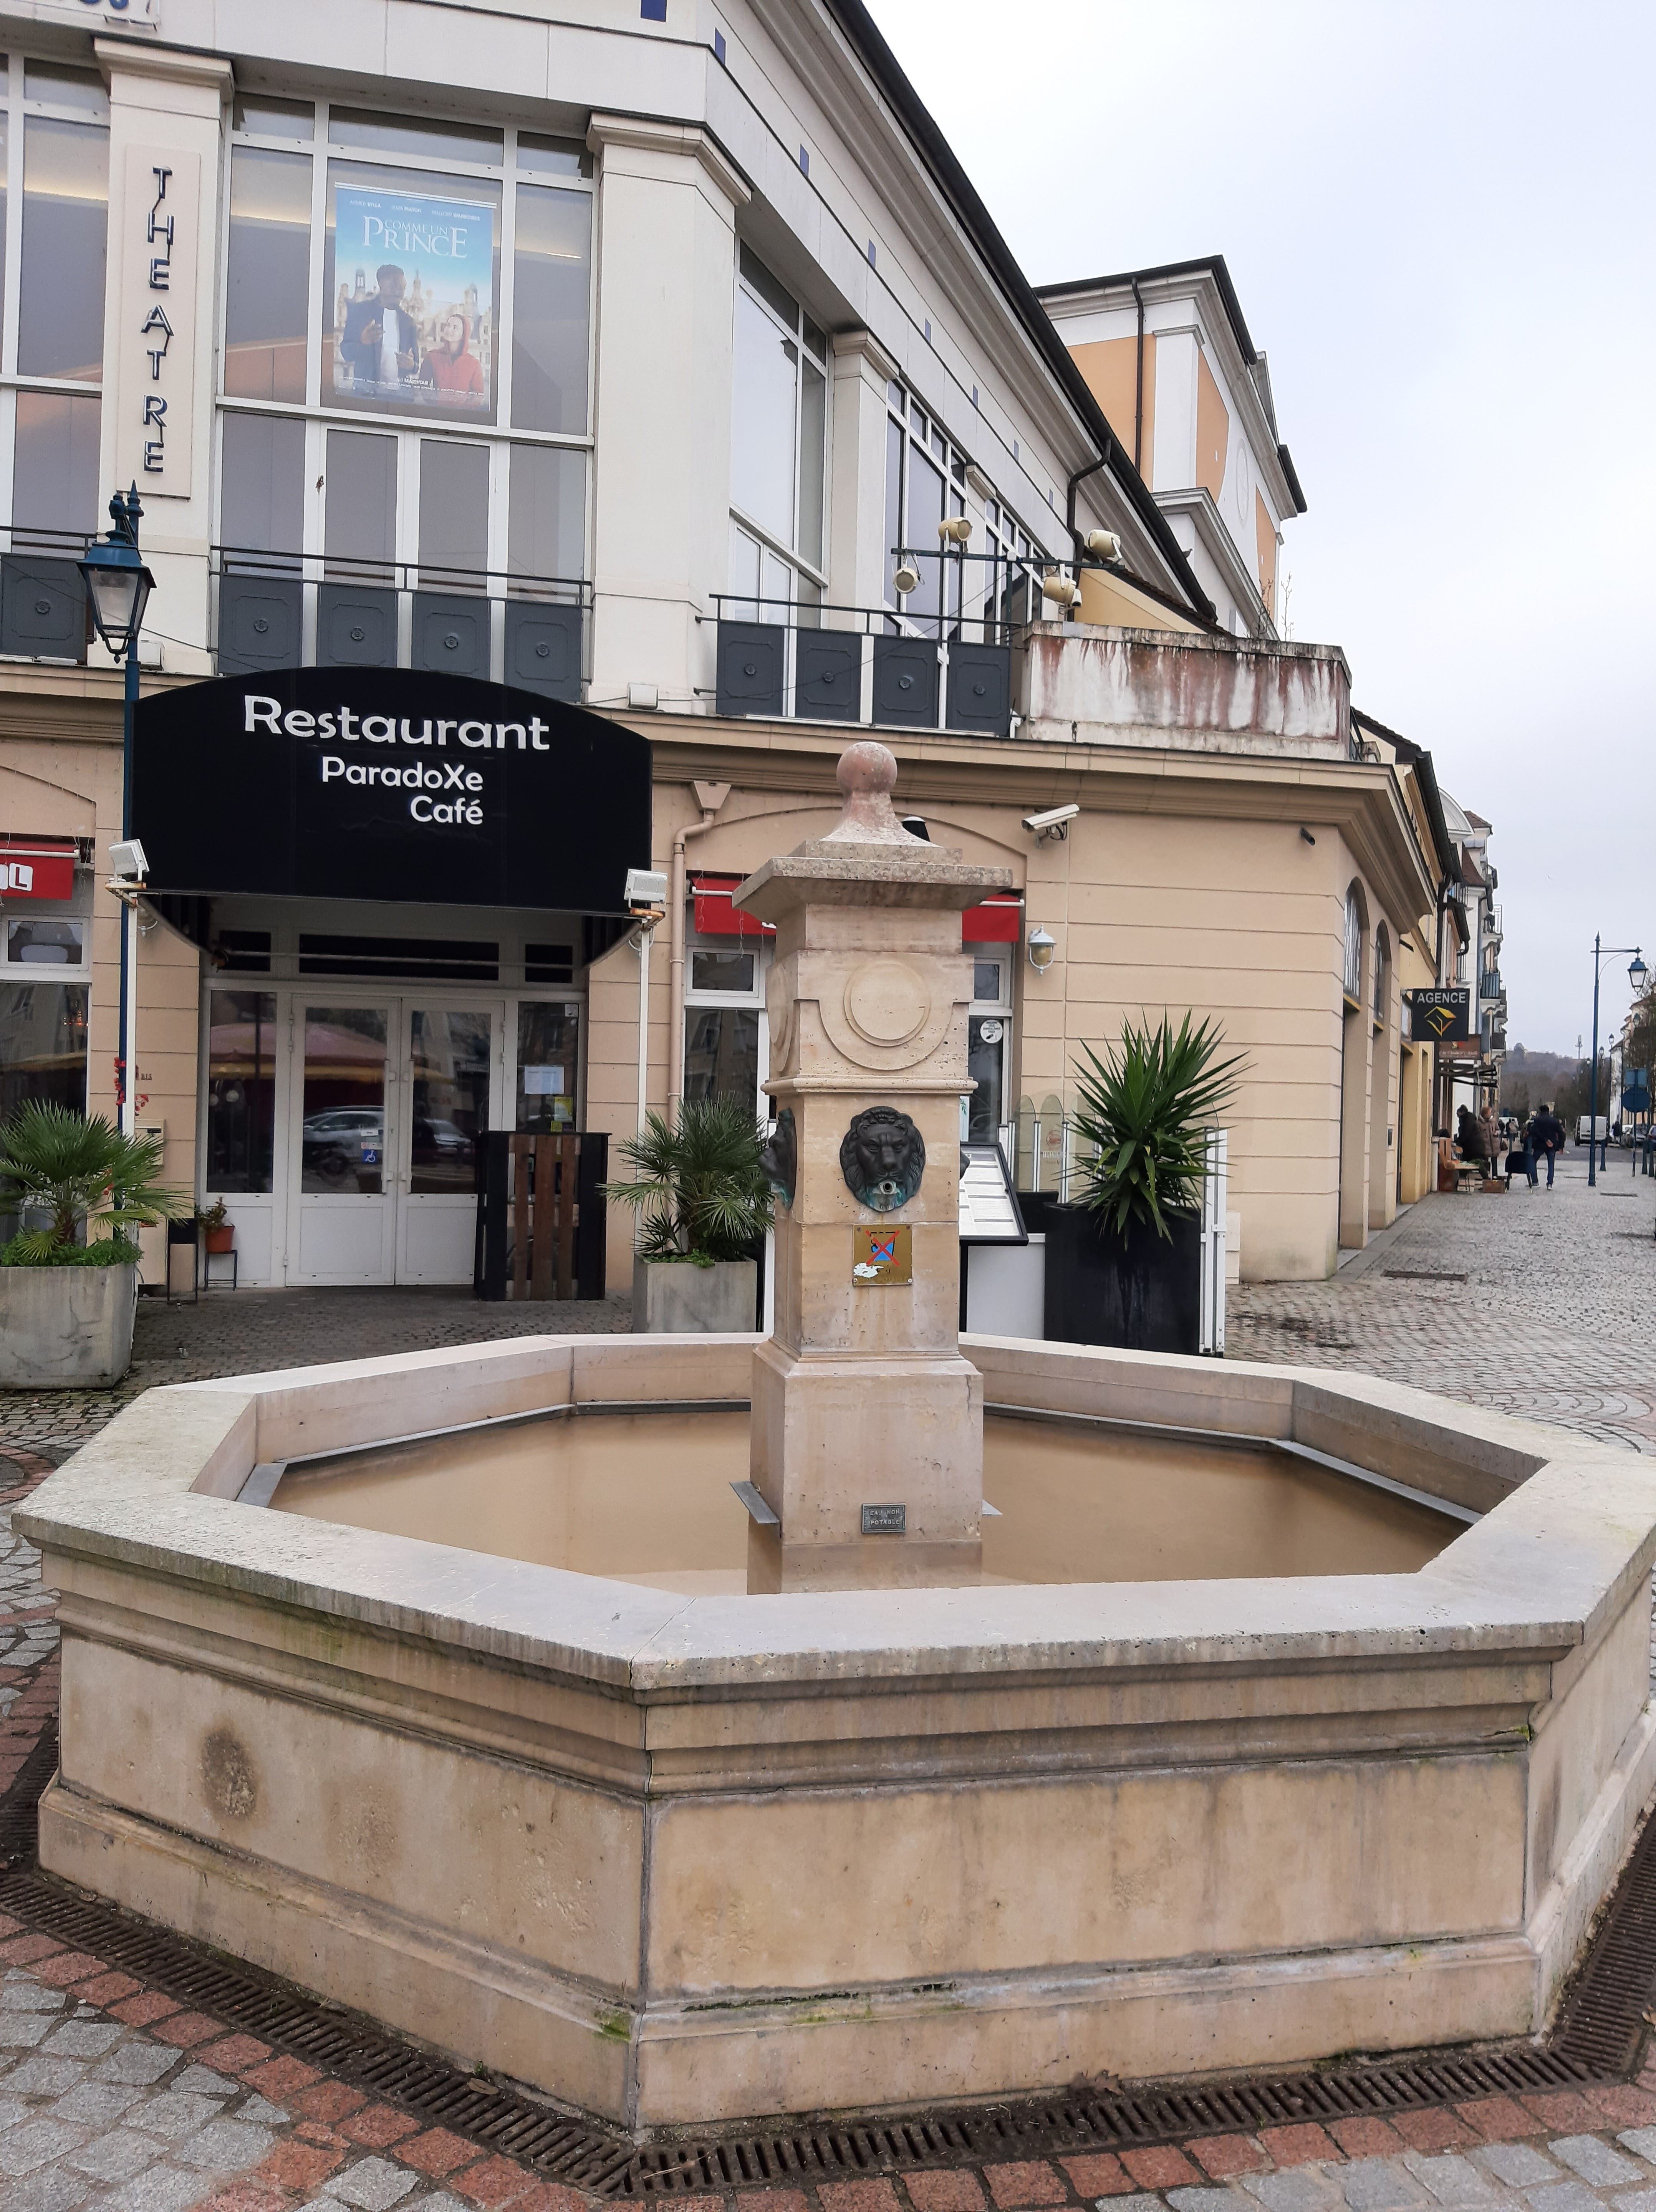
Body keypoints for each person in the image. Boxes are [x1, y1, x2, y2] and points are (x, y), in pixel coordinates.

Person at [339, 265, 419, 393]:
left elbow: (416, 366)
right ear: (381, 283)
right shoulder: (360, 312)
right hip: (367, 397)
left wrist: (412, 365)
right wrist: (363, 342)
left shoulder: (409, 322)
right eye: (395, 285)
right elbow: (346, 354)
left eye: (403, 288)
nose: (400, 292)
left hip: (400, 399)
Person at [417, 308, 485, 402]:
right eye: (448, 325)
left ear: (464, 334)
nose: (449, 330)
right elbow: (423, 386)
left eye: (455, 328)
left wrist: (463, 409)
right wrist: (435, 404)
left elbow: (478, 395)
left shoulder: (474, 364)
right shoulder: (432, 356)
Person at [1531, 1100, 1566, 1189]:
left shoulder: (1538, 1120)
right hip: (1552, 1146)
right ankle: (1550, 1183)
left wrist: (1545, 1140)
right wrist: (1561, 1146)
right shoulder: (1554, 1121)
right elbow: (1561, 1133)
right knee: (1551, 1165)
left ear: (1541, 1112)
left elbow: (1534, 1131)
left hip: (1540, 1145)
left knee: (1533, 1161)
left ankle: (1535, 1181)